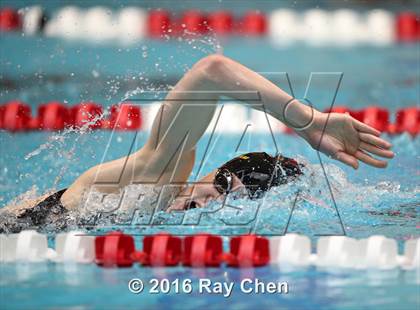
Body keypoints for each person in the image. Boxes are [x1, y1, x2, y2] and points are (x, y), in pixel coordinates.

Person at [0, 54, 394, 231]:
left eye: (229, 201)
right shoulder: (159, 176)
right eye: (221, 185)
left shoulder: (159, 222)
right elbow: (213, 71)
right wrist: (307, 121)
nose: (207, 202)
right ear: (212, 171)